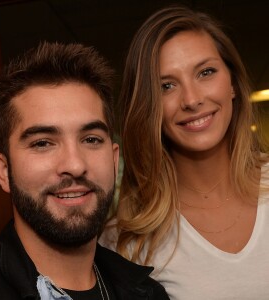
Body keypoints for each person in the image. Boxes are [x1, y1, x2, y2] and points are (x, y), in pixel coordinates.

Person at [0, 41, 169, 300]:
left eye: (91, 139)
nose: (75, 165)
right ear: (3, 170)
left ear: (113, 157)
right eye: (43, 143)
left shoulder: (148, 293)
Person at [100, 5, 269, 300]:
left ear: (232, 84)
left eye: (206, 72)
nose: (191, 100)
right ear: (148, 106)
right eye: (166, 86)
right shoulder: (127, 241)